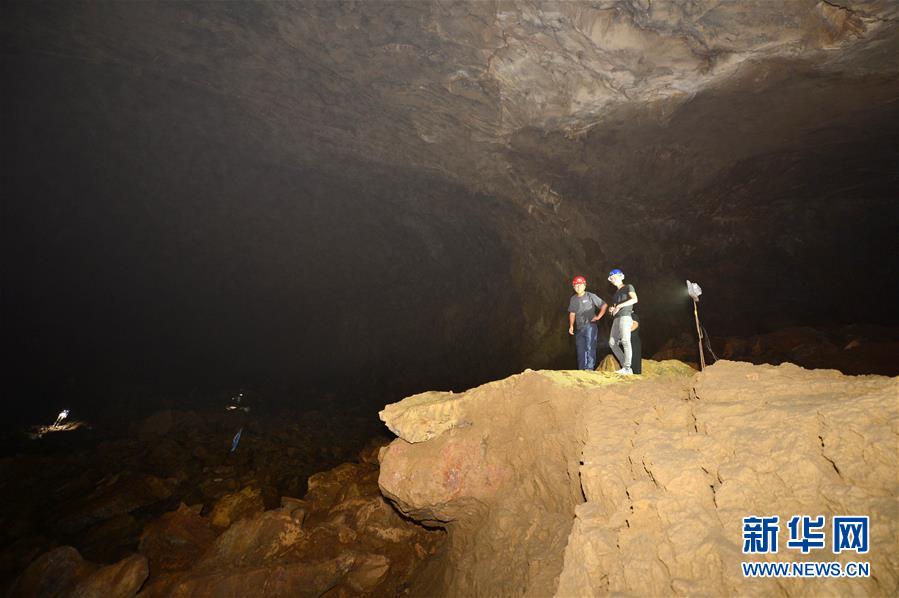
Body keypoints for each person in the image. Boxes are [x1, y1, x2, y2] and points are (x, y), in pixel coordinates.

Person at [567, 275, 607, 370]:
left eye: (580, 285)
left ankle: (589, 369)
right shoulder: (573, 299)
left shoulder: (590, 296)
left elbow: (604, 305)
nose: (578, 287)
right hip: (579, 328)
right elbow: (572, 313)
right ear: (573, 287)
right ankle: (582, 370)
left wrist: (598, 317)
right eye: (576, 285)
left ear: (584, 286)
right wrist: (571, 326)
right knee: (580, 350)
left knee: (590, 347)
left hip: (590, 326)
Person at [607, 268, 638, 375]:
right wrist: (612, 310)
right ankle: (625, 365)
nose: (613, 279)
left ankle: (627, 368)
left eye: (615, 277)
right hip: (617, 318)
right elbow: (615, 309)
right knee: (612, 343)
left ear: (621, 276)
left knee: (625, 340)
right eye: (612, 278)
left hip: (625, 316)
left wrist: (620, 305)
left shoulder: (628, 287)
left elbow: (635, 299)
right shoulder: (615, 294)